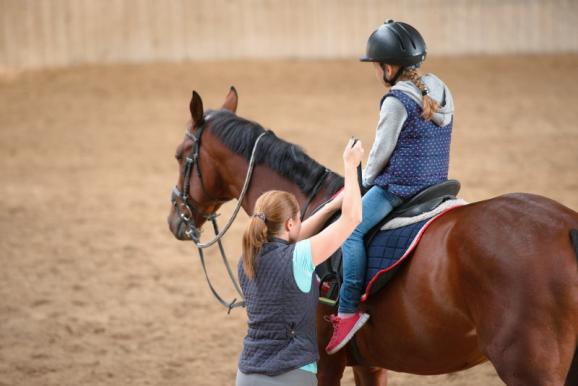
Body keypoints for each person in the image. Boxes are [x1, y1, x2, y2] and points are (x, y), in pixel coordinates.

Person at [325, 20, 455, 355]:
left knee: (350, 229)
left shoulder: (396, 100)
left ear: (387, 67)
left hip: (400, 188)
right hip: (436, 184)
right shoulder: (440, 89)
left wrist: (360, 185)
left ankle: (347, 310)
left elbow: (380, 154)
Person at [235, 138, 364, 386]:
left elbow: (289, 240)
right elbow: (352, 219)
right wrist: (350, 166)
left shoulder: (247, 258)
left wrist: (328, 208)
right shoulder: (300, 257)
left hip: (247, 375)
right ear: (290, 224)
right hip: (292, 375)